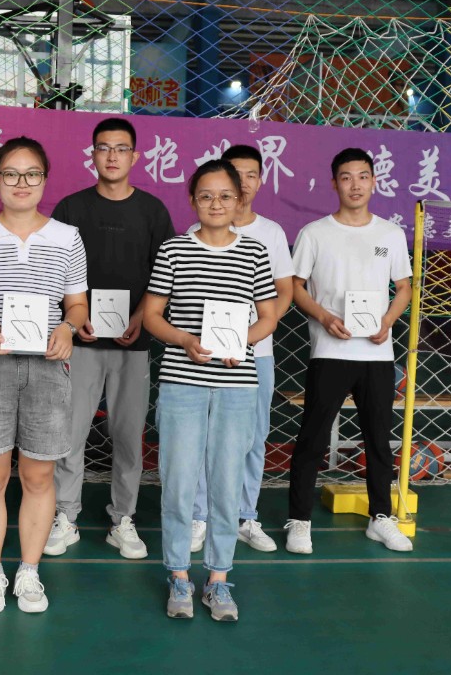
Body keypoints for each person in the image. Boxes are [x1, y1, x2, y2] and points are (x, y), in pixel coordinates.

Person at [0, 137, 88, 615]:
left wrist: (68, 328)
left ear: (45, 179)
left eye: (31, 174)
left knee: (39, 474)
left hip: (47, 364)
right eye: (10, 173)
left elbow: (77, 304)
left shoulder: (67, 237)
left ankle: (28, 571)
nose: (21, 183)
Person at [143, 159, 278, 622]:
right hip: (182, 383)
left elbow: (269, 316)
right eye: (206, 196)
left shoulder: (254, 252)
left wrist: (243, 342)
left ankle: (218, 579)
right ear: (192, 200)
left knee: (225, 484)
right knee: (179, 482)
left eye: (225, 196)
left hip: (237, 386)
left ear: (239, 200)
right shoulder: (174, 250)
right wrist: (184, 340)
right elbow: (152, 315)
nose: (216, 204)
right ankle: (179, 575)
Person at [45, 117, 173, 560]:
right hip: (79, 342)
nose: (112, 156)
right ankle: (66, 515)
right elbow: (57, 270)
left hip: (132, 343)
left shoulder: (153, 211)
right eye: (103, 147)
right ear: (93, 155)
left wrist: (139, 318)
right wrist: (73, 316)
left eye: (121, 148)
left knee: (128, 435)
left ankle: (123, 518)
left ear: (135, 156)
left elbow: (165, 276)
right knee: (70, 432)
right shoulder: (71, 208)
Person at [284, 147, 413, 555]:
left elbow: (404, 287)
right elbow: (294, 287)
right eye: (346, 177)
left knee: (379, 441)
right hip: (330, 351)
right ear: (334, 183)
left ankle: (381, 517)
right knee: (312, 438)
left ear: (374, 182)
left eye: (362, 176)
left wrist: (387, 320)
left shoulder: (390, 234)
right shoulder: (315, 233)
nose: (355, 185)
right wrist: (324, 317)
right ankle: (299, 520)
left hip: (377, 354)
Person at [189, 145, 294, 555]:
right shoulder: (195, 233)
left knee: (252, 437)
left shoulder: (271, 233)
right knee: (203, 438)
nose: (243, 182)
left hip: (257, 355)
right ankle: (200, 515)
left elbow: (284, 292)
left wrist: (248, 336)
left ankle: (245, 515)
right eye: (236, 174)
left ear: (260, 181)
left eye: (251, 174)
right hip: (202, 355)